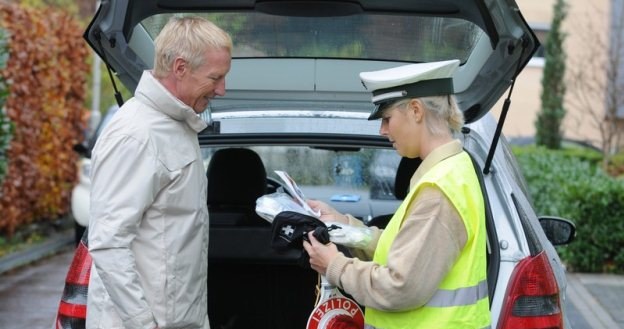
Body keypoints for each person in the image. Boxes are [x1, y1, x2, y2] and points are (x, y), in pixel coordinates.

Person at [303, 60, 490, 329]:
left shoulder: (438, 190)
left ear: (416, 110)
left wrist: (334, 265)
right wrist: (345, 226)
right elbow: (402, 252)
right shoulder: (450, 172)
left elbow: (400, 286)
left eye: (387, 118)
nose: (382, 130)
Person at [86, 16, 232, 329]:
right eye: (215, 77)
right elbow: (109, 244)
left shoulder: (176, 125)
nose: (222, 89)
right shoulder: (137, 135)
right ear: (180, 67)